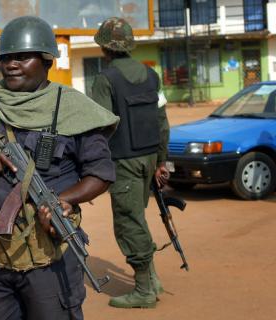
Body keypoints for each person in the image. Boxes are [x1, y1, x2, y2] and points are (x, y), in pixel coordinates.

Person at [0, 16, 118, 320]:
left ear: (47, 61)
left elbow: (101, 174)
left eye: (23, 57)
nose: (12, 65)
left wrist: (65, 200)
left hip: (49, 259)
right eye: (6, 58)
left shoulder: (74, 108)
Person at [91, 17, 171, 309]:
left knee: (128, 223)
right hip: (149, 158)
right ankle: (152, 278)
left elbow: (99, 127)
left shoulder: (105, 79)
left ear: (104, 47)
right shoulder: (152, 76)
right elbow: (162, 122)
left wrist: (92, 166)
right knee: (138, 218)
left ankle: (144, 291)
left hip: (123, 161)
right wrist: (162, 161)